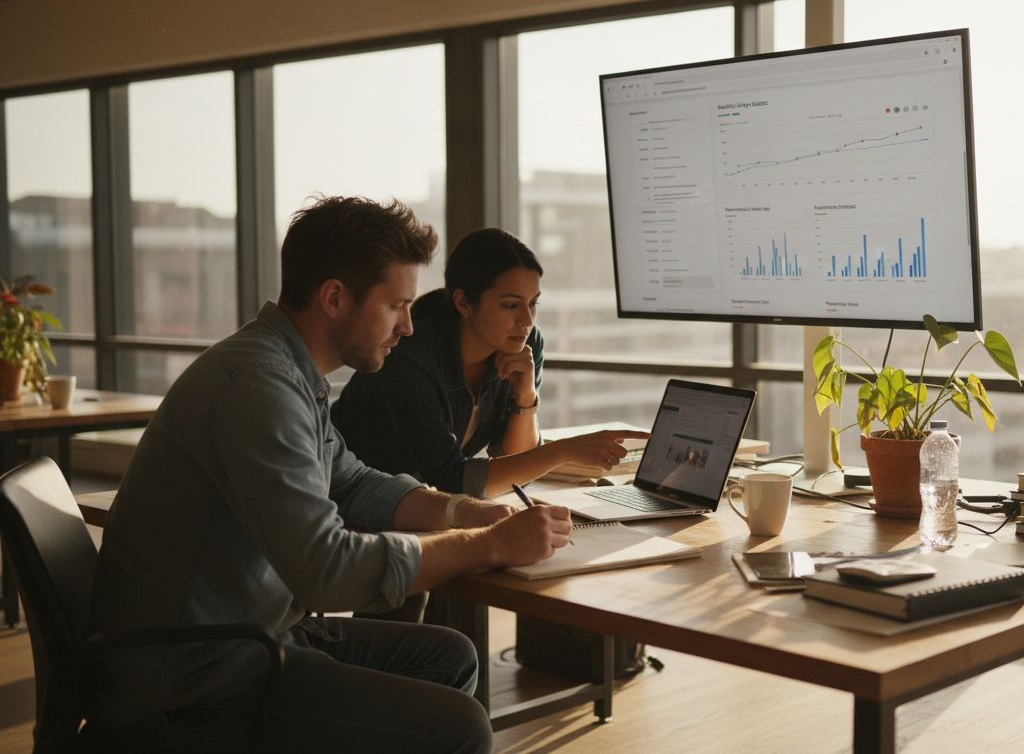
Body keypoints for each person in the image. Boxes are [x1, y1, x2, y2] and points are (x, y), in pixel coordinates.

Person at [88, 197, 572, 753]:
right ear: (335, 298)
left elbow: (354, 481)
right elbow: (326, 569)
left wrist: (463, 511)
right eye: (396, 306)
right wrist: (484, 544)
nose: (409, 327)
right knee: (459, 726)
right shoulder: (258, 386)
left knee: (450, 657)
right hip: (189, 685)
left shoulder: (288, 371)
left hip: (248, 637)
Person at [331, 227, 646, 500]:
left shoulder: (526, 344)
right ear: (463, 302)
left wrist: (525, 398)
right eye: (511, 305)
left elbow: (517, 461)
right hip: (353, 506)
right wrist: (562, 451)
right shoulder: (409, 357)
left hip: (422, 507)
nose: (526, 320)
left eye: (533, 303)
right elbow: (453, 479)